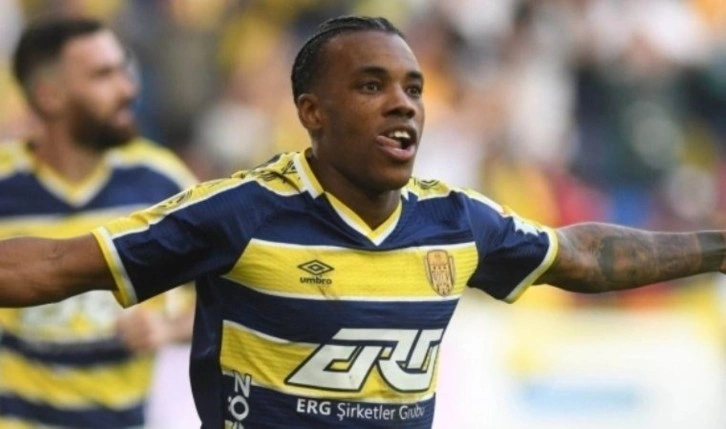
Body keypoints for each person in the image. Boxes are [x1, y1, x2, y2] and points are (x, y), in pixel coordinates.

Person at [0, 15, 724, 428]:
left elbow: (580, 255)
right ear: (312, 113)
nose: (403, 103)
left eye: (413, 87)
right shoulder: (238, 212)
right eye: (371, 86)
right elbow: (57, 265)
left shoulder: (457, 221)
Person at [0, 17, 196, 428]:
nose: (129, 89)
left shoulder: (162, 182)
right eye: (103, 75)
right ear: (49, 96)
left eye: (125, 69)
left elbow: (228, 294)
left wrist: (168, 328)